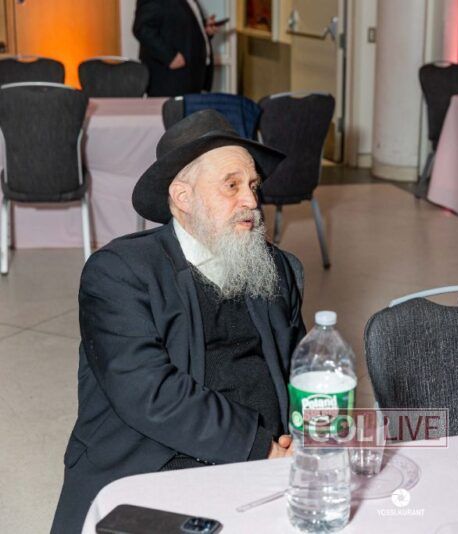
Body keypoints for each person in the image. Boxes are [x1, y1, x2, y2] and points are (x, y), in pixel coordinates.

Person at [50, 110, 305, 533]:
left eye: (253, 186)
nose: (251, 202)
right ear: (183, 197)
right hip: (154, 466)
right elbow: (151, 394)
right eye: (232, 185)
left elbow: (302, 369)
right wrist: (263, 449)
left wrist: (306, 437)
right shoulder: (119, 272)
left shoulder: (275, 269)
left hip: (265, 468)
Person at [133, 0, 220, 97]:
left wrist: (204, 31)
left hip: (193, 78)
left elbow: (182, 29)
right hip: (170, 80)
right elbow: (142, 29)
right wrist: (170, 57)